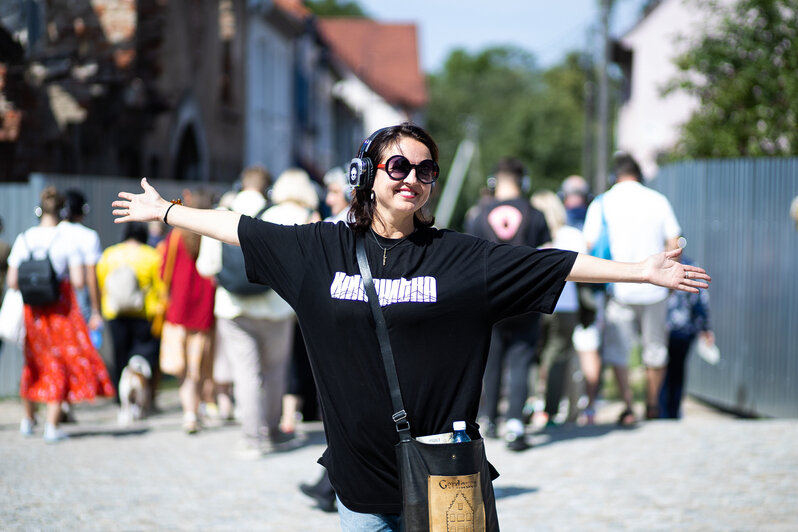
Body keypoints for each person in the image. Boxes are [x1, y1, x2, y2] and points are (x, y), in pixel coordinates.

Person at [112, 123, 709, 530]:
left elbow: (553, 263)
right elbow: (236, 226)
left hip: (447, 470)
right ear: (367, 173)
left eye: (426, 171)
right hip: (358, 473)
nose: (412, 179)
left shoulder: (459, 257)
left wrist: (640, 271)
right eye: (398, 165)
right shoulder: (319, 250)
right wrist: (165, 212)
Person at [196, 165, 312, 457]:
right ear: (267, 189)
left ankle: (251, 439)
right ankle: (273, 432)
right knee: (275, 372)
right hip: (275, 308)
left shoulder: (222, 213)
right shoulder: (283, 214)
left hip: (233, 308)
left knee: (245, 373)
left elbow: (206, 267)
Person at [7, 186, 115, 442]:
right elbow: (78, 281)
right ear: (63, 210)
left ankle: (28, 419)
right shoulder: (67, 240)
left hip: (32, 313)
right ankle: (52, 426)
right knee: (56, 365)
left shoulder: (24, 238)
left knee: (33, 363)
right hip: (59, 312)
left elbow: (12, 281)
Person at [583, 153, 683, 424]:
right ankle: (652, 404)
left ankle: (628, 406)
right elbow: (674, 243)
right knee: (656, 349)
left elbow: (590, 245)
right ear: (639, 174)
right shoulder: (658, 200)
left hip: (620, 287)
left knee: (619, 351)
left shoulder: (602, 202)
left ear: (616, 175)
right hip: (656, 288)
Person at [468, 156, 551, 451]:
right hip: (526, 298)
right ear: (523, 181)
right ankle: (515, 423)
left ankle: (489, 419)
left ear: (494, 181)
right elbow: (546, 255)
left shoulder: (478, 215)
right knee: (521, 359)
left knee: (491, 359)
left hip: (490, 299)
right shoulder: (535, 213)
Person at [157, 188, 216, 434]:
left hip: (178, 311)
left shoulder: (176, 235)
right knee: (197, 367)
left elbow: (163, 271)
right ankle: (196, 409)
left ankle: (189, 413)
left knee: (182, 370)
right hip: (204, 310)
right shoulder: (212, 232)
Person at [531, 190, 586, 426]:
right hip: (565, 305)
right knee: (559, 357)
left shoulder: (531, 234)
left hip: (532, 304)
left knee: (533, 355)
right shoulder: (571, 235)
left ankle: (532, 403)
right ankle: (551, 410)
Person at [96, 222, 163, 408]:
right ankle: (143, 398)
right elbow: (160, 286)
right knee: (142, 359)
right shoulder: (151, 255)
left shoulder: (109, 254)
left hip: (114, 312)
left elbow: (102, 282)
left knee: (120, 357)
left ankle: (121, 399)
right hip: (144, 314)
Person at [560, 175, 602, 424]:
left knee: (566, 350)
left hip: (572, 291)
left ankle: (567, 403)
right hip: (589, 289)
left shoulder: (561, 222)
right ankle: (589, 405)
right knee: (587, 348)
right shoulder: (592, 218)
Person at [659, 255, 713, 419]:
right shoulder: (658, 264)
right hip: (662, 328)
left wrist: (705, 328)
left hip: (681, 329)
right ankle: (661, 410)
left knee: (675, 370)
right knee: (662, 369)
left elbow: (699, 298)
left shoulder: (689, 266)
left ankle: (671, 411)